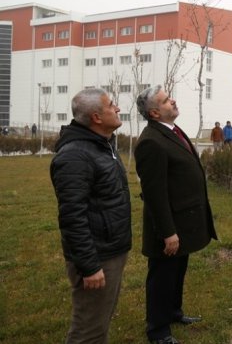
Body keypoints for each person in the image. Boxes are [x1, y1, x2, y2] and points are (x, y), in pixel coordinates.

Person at [134, 85, 217, 344]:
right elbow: (155, 194)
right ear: (155, 113)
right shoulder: (151, 141)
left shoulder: (172, 131)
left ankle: (173, 312)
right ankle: (158, 330)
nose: (173, 101)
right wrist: (168, 232)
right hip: (169, 225)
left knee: (177, 270)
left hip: (184, 221)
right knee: (162, 276)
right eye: (167, 100)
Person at [50, 88, 132, 344]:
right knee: (88, 331)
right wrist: (89, 266)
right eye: (112, 105)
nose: (117, 108)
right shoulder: (76, 155)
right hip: (97, 257)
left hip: (111, 250)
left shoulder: (101, 145)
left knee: (99, 321)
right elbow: (72, 217)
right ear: (96, 117)